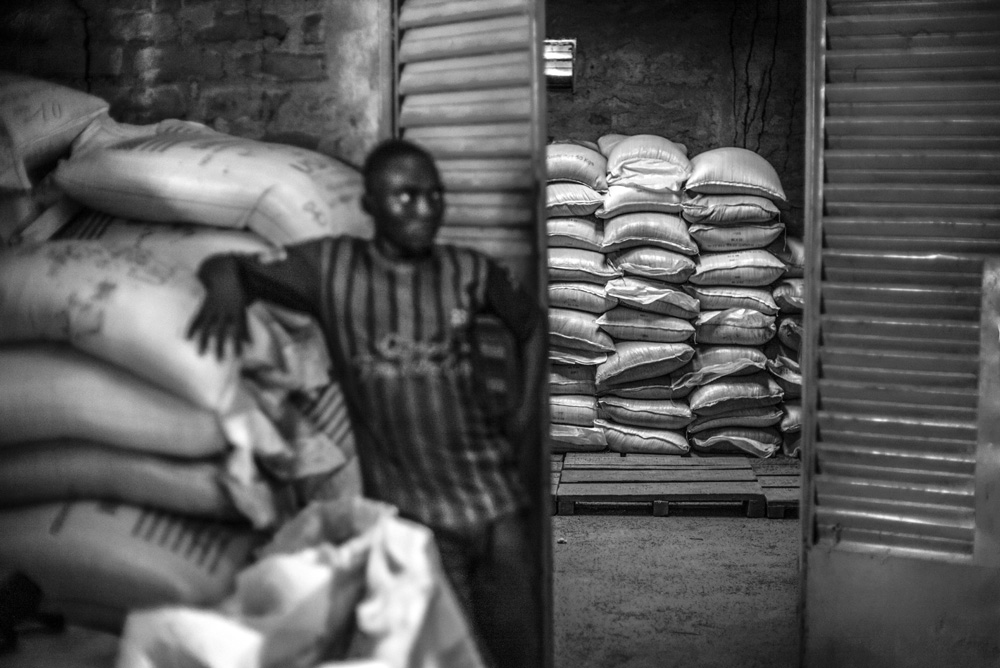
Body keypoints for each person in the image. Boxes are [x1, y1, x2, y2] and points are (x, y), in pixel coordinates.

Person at [187, 138, 544, 668]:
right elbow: (228, 265)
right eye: (405, 197)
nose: (424, 209)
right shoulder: (329, 268)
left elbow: (532, 327)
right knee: (446, 657)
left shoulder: (469, 270)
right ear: (370, 205)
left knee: (521, 652)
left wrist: (523, 413)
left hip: (496, 505)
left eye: (434, 195)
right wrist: (223, 285)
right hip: (413, 517)